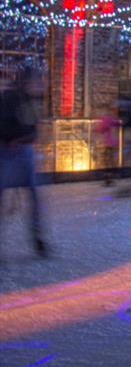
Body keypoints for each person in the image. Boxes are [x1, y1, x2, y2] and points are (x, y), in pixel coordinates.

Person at [0, 66, 48, 258]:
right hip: (8, 153)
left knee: (34, 197)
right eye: (35, 82)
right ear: (26, 82)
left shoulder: (31, 101)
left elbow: (34, 126)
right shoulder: (10, 99)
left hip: (22, 152)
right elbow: (6, 124)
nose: (38, 86)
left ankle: (37, 238)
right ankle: (36, 239)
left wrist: (30, 136)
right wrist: (13, 139)